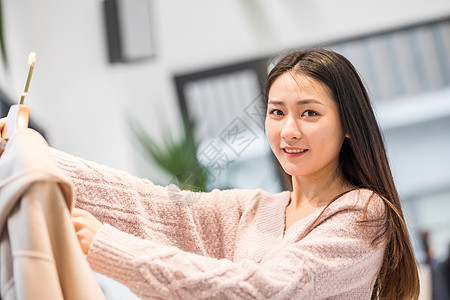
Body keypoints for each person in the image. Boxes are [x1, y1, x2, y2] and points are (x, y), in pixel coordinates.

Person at [0, 49, 420, 299]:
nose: (289, 130)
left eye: (309, 113)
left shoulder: (362, 213)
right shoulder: (250, 211)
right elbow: (154, 206)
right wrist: (33, 155)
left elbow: (263, 289)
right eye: (277, 113)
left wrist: (106, 245)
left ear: (348, 125)